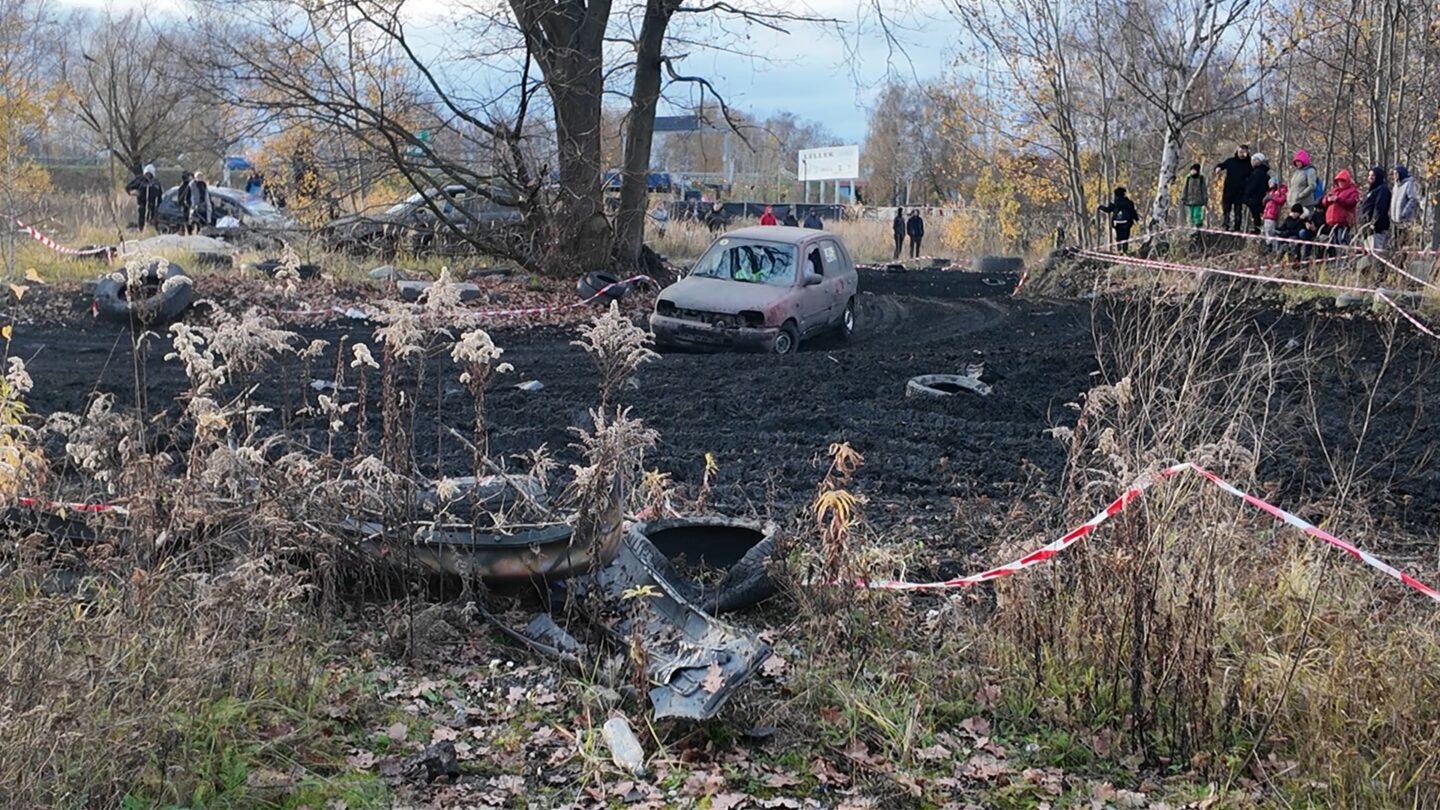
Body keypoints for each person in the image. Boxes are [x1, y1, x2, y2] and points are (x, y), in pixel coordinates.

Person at [1213, 144, 1253, 231]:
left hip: (1240, 191)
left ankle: (1237, 228)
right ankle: (1225, 225)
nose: (1242, 154)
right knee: (1226, 210)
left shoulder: (1249, 164)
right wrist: (1218, 168)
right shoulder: (1231, 161)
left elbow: (1253, 175)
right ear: (1237, 151)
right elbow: (1221, 165)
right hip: (1229, 190)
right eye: (1240, 152)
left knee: (1238, 211)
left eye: (1244, 152)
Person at [1321, 169, 1359, 251]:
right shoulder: (1334, 190)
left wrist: (1338, 199)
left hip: (1344, 221)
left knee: (1342, 240)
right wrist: (1328, 200)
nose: (1340, 183)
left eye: (1342, 181)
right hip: (1332, 222)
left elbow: (1351, 202)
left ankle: (1345, 254)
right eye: (1339, 181)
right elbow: (1323, 202)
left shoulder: (1352, 191)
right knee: (1333, 241)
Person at [1358, 166, 1392, 250]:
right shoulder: (1371, 191)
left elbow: (1380, 207)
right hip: (1366, 228)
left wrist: (1374, 222)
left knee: (1376, 252)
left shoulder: (1382, 189)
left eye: (1373, 175)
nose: (1370, 177)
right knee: (1368, 253)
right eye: (1369, 175)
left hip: (1376, 229)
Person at [1390, 165, 1421, 250]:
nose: (1394, 176)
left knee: (1403, 244)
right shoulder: (1396, 185)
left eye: (1396, 174)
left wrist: (1405, 213)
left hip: (1404, 220)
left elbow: (1413, 199)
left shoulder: (1408, 184)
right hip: (1395, 220)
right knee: (1396, 244)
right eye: (1393, 174)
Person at [1098, 187, 1139, 252]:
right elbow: (1133, 212)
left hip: (1117, 223)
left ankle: (1119, 251)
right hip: (1127, 223)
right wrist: (1136, 219)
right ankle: (1125, 251)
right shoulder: (1129, 203)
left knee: (1119, 238)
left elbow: (1108, 210)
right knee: (1125, 238)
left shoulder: (1114, 203)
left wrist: (1100, 207)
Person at [125, 164, 162, 231]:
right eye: (147, 174)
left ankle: (151, 231)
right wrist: (133, 193)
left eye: (149, 174)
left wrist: (158, 206)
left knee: (152, 222)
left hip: (152, 207)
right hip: (142, 205)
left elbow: (159, 196)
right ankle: (142, 231)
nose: (148, 176)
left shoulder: (156, 183)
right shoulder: (140, 180)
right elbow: (128, 187)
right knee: (142, 221)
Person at [1243, 152, 1271, 234]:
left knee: (1256, 215)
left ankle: (1257, 229)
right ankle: (1258, 229)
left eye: (1254, 160)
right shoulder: (1264, 173)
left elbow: (1251, 186)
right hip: (1260, 198)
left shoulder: (1257, 173)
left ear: (1258, 161)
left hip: (1255, 198)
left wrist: (1246, 197)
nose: (1252, 162)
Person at [1287, 150, 1320, 215]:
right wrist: (1289, 197)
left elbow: (1312, 186)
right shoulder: (1297, 172)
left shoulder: (1310, 170)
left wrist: (1301, 195)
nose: (1297, 163)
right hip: (1295, 203)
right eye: (1296, 161)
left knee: (1304, 219)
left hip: (1305, 203)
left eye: (1299, 161)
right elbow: (1293, 186)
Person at [1261, 177, 1288, 247]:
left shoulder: (1280, 190)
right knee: (1266, 230)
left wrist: (1272, 197)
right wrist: (1265, 200)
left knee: (1270, 231)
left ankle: (1270, 245)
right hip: (1266, 214)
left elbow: (1281, 200)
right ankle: (1268, 244)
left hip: (1272, 214)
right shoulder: (1270, 191)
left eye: (1271, 183)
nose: (1269, 184)